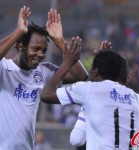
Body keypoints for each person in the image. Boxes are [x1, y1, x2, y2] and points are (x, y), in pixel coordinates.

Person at [0, 6, 88, 150]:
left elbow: (81, 76)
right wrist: (19, 32)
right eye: (35, 49)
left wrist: (59, 40)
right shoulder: (4, 68)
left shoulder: (43, 71)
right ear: (21, 47)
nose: (40, 54)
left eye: (44, 51)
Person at [41, 41, 139, 150]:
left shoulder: (88, 90)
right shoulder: (134, 97)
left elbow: (46, 94)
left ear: (96, 71)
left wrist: (67, 62)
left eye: (91, 67)